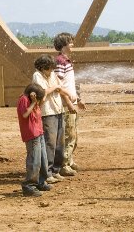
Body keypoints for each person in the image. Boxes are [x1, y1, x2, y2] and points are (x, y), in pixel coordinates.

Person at [32, 54, 70, 183]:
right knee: (50, 143)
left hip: (58, 109)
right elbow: (43, 92)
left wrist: (68, 95)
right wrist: (56, 88)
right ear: (43, 68)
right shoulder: (37, 76)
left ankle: (56, 170)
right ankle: (47, 173)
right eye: (50, 68)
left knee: (60, 143)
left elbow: (59, 88)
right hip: (47, 112)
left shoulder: (52, 75)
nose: (52, 71)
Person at [53, 32, 86, 176]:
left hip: (71, 102)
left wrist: (77, 99)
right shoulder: (60, 62)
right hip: (66, 105)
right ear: (64, 45)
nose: (72, 45)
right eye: (70, 42)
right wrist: (68, 102)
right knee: (69, 135)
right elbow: (58, 85)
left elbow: (69, 84)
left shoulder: (66, 61)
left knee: (74, 135)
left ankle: (69, 160)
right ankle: (64, 164)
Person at [17, 83, 53, 196]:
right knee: (34, 160)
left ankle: (40, 182)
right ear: (32, 94)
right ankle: (29, 185)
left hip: (39, 133)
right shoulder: (24, 99)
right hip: (32, 134)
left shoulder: (33, 101)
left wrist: (36, 100)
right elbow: (25, 114)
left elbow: (40, 105)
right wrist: (33, 102)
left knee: (43, 159)